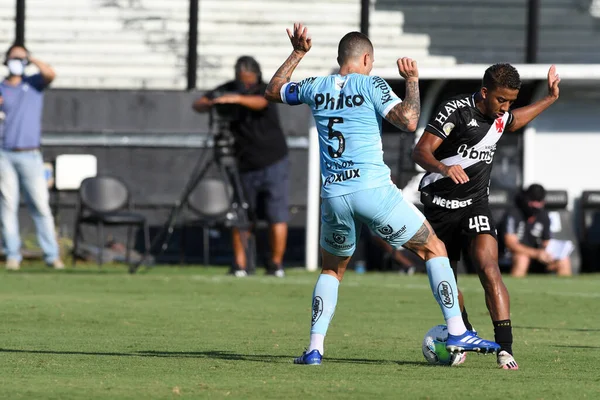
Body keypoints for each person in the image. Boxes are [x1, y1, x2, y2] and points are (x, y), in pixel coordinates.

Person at [264, 23, 500, 365]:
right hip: (372, 190)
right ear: (365, 58)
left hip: (333, 194)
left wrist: (298, 53)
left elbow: (273, 90)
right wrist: (413, 81)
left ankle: (315, 348)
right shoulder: (370, 83)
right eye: (371, 63)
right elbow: (408, 120)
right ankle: (457, 329)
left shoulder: (315, 86)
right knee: (434, 248)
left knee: (332, 271)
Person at [413, 63, 561, 369]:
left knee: (488, 266)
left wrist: (549, 98)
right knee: (449, 281)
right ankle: (463, 331)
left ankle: (504, 348)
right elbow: (420, 151)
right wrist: (443, 167)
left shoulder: (500, 117)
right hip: (439, 206)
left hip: (474, 205)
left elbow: (514, 122)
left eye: (510, 102)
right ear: (484, 92)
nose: (505, 108)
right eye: (501, 101)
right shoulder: (456, 111)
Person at [193, 56, 289, 278]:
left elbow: (261, 102)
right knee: (241, 215)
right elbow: (198, 104)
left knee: (277, 215)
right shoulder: (228, 89)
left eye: (248, 81)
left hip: (273, 161)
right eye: (241, 81)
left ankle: (276, 264)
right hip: (244, 164)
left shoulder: (265, 89)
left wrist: (236, 99)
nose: (245, 85)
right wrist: (214, 102)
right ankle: (240, 264)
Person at [0, 43, 63, 270]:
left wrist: (29, 58)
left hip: (31, 154)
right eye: (13, 58)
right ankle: (12, 255)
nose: (16, 62)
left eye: (20, 58)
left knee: (40, 205)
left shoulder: (33, 84)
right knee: (7, 206)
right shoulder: (2, 88)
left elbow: (50, 73)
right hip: (5, 154)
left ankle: (51, 255)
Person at [502, 183, 572, 277]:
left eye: (539, 201)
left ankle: (564, 290)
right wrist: (536, 254)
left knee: (564, 260)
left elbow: (546, 242)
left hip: (538, 257)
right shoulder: (514, 213)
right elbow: (511, 243)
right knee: (522, 259)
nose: (536, 205)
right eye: (533, 201)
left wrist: (547, 254)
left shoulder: (544, 215)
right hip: (515, 255)